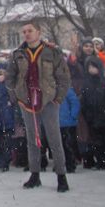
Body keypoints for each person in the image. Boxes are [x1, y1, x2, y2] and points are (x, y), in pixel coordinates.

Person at [5, 19, 71, 192]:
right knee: (32, 139)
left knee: (54, 139)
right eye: (24, 31)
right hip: (26, 102)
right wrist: (15, 97)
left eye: (30, 31)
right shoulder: (18, 54)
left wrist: (58, 98)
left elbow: (64, 78)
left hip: (48, 100)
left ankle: (61, 176)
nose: (26, 34)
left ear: (39, 32)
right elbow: (10, 77)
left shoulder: (52, 52)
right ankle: (35, 174)